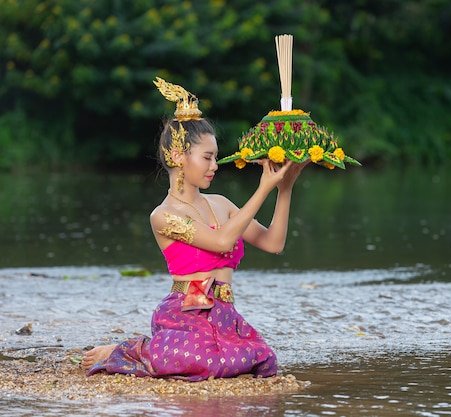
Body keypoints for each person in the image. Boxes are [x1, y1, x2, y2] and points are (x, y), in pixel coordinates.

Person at [81, 77, 307, 380]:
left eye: (215, 157)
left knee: (264, 361)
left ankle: (170, 349)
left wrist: (284, 189)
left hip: (224, 314)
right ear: (178, 157)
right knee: (200, 362)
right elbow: (221, 241)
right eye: (207, 157)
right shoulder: (162, 215)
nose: (214, 165)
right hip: (184, 313)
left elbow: (273, 243)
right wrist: (263, 188)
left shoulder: (222, 203)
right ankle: (133, 349)